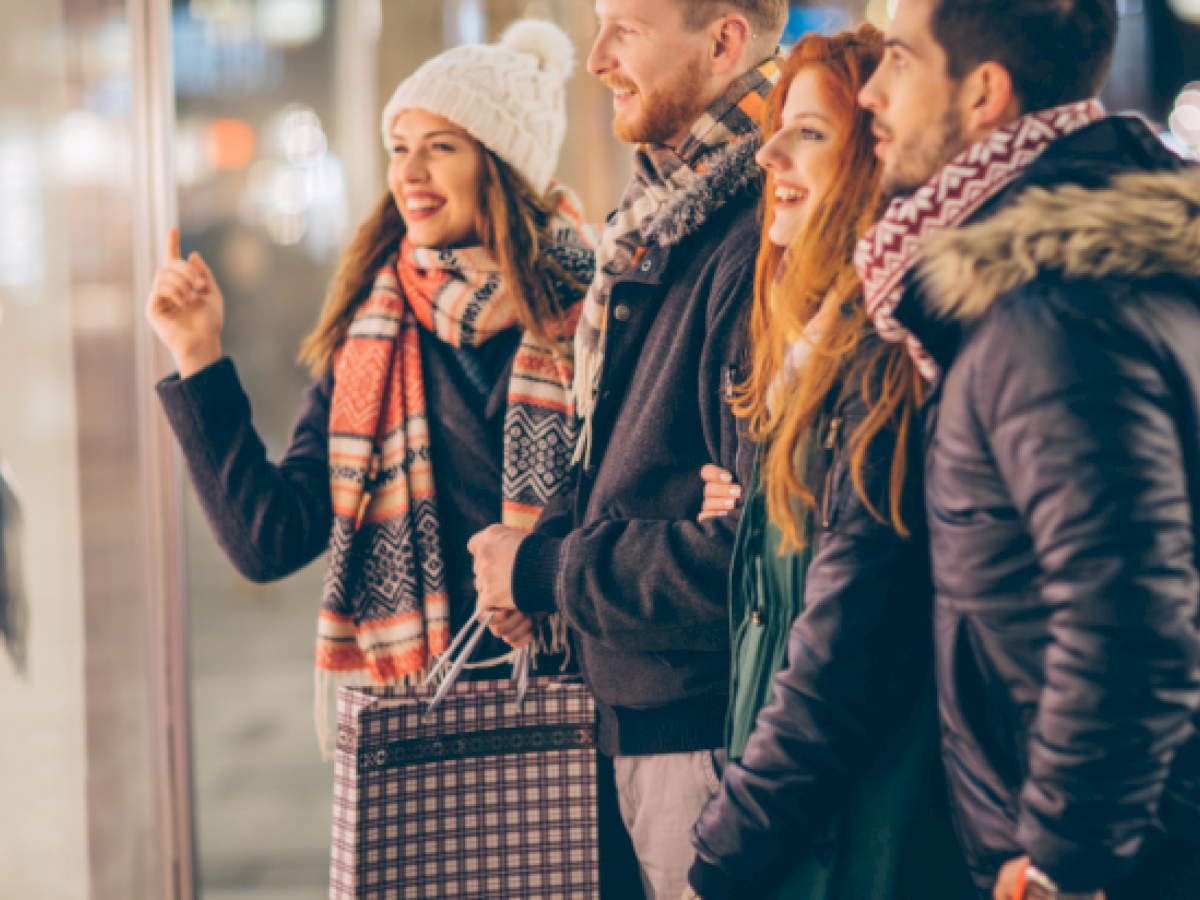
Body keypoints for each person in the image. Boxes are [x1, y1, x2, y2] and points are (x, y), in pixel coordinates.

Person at [145, 20, 596, 755]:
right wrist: (198, 352)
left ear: (502, 164)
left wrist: (544, 577)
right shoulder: (374, 336)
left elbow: (632, 512)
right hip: (427, 732)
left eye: (440, 147)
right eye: (398, 149)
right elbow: (270, 538)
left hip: (579, 711)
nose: (409, 172)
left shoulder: (597, 312)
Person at [854, 0, 1200, 897]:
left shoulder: (1049, 314)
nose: (868, 93)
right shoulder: (1105, 262)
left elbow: (1127, 611)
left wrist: (1063, 861)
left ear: (982, 94)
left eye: (897, 60)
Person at [468, 0, 787, 896]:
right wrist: (544, 560)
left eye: (626, 29)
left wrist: (547, 572)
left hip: (703, 724)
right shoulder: (663, 212)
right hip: (642, 704)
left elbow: (749, 555)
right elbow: (623, 462)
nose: (597, 57)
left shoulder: (761, 228)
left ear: (724, 41)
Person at [680, 26, 972, 900]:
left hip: (866, 849)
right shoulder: (799, 359)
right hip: (809, 839)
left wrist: (722, 852)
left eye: (808, 132)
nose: (768, 151)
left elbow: (840, 659)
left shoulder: (884, 365)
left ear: (874, 157)